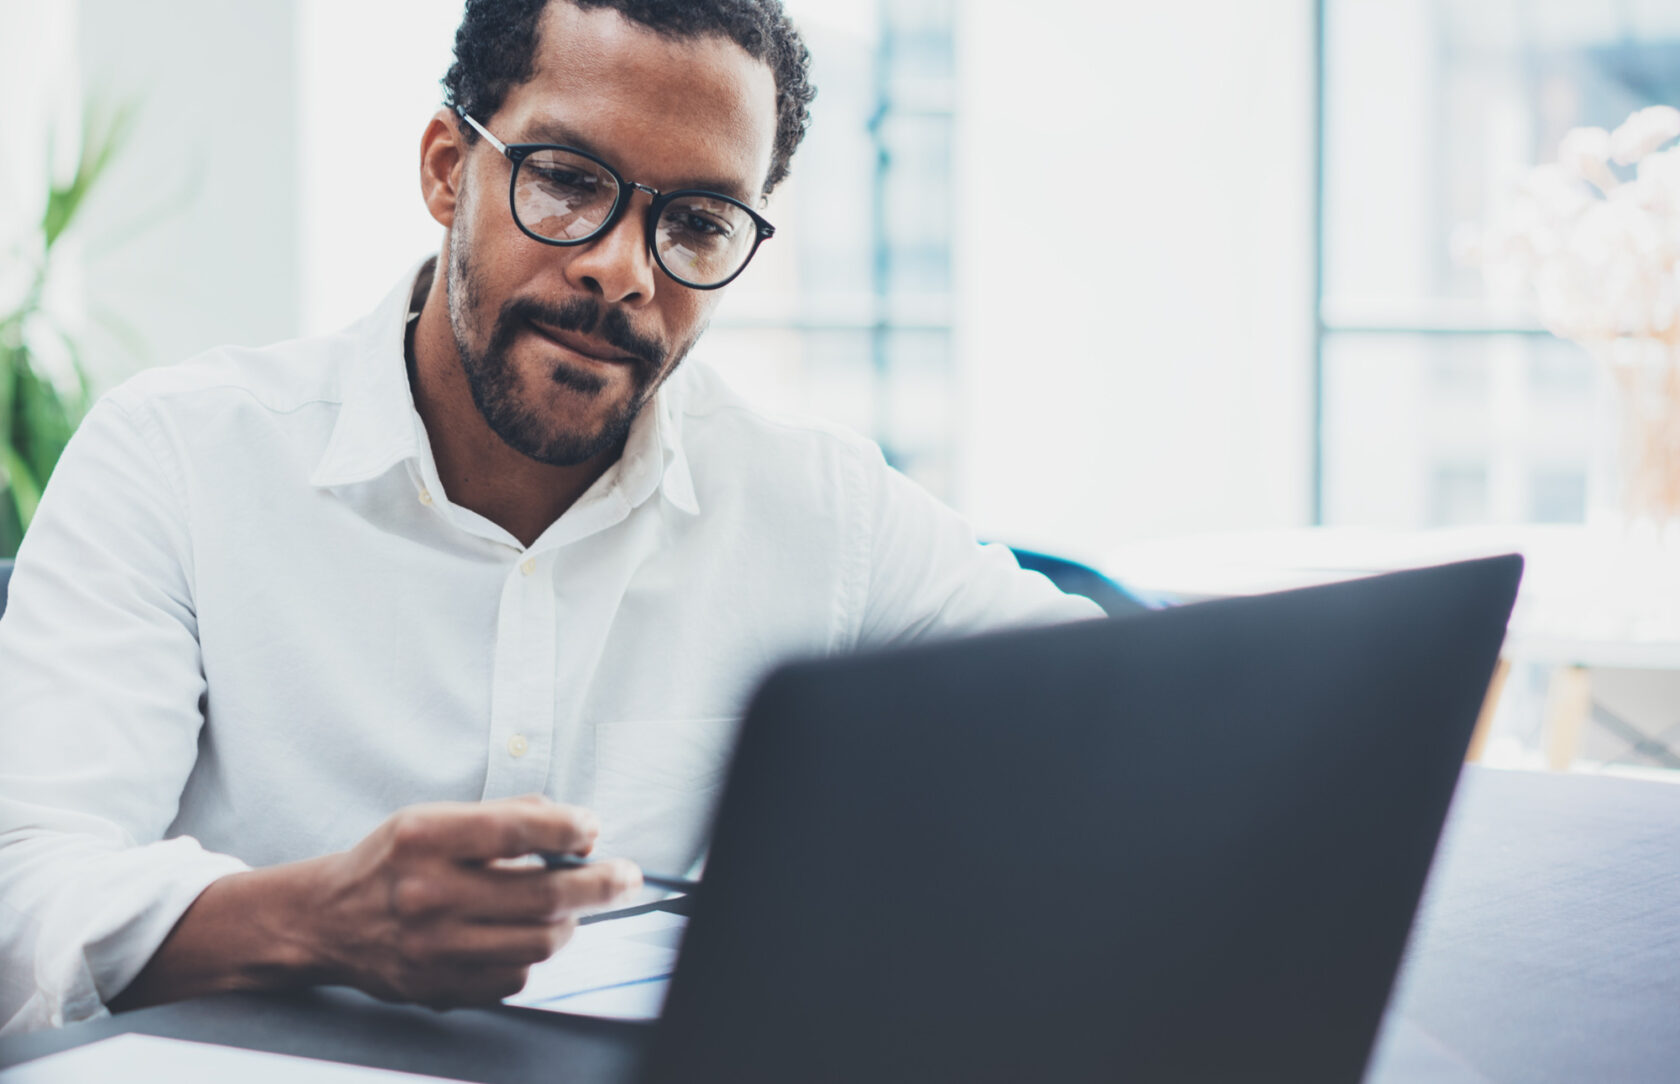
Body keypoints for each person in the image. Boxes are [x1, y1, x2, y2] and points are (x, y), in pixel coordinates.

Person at [0, 0, 1096, 1034]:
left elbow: (1110, 721)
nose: (621, 270)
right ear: (446, 169)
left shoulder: (819, 508)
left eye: (700, 221)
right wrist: (323, 919)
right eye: (568, 181)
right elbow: (23, 892)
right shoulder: (177, 457)